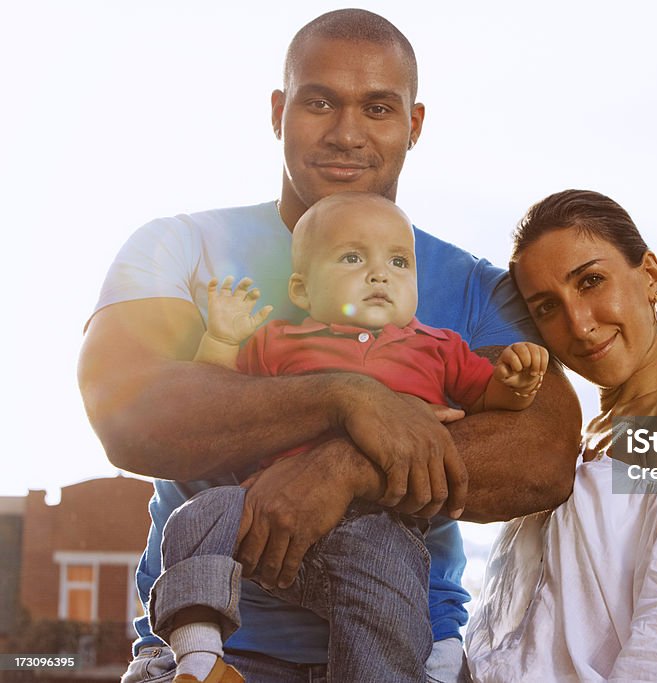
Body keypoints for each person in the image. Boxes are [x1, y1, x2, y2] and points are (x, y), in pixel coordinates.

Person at [77, 10, 581, 683]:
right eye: (319, 102)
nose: (347, 133)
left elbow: (545, 449)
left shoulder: (473, 287)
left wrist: (350, 466)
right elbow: (128, 410)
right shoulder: (179, 247)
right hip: (210, 660)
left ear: (414, 124)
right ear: (280, 110)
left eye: (378, 108)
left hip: (402, 656)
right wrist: (346, 397)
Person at [154, 192, 550, 683]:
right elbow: (213, 404)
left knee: (385, 605)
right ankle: (199, 659)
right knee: (195, 516)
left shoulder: (438, 347)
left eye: (399, 262)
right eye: (352, 258)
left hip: (378, 527)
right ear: (302, 289)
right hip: (264, 514)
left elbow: (491, 405)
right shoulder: (278, 340)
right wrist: (222, 338)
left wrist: (513, 385)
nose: (379, 273)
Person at [465, 190, 657, 682]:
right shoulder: (579, 439)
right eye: (548, 307)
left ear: (651, 276)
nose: (579, 323)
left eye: (591, 281)